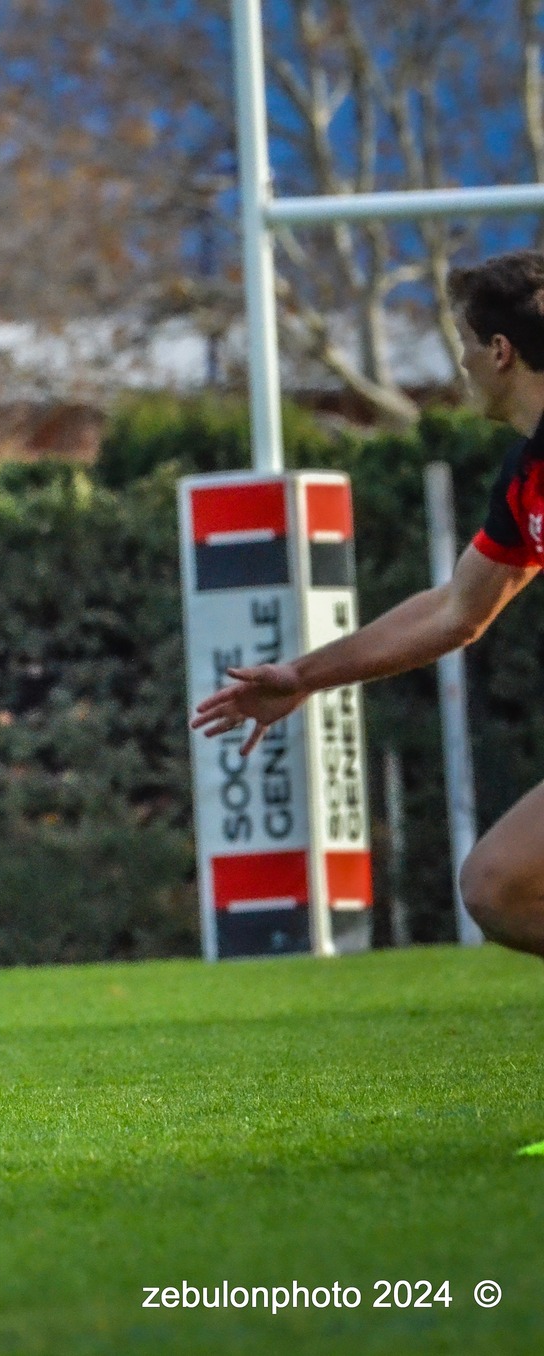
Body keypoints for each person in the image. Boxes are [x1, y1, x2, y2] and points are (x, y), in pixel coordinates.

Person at [195, 248, 544, 962]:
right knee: (497, 886)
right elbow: (457, 609)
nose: (461, 365)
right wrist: (302, 676)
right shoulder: (527, 476)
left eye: (465, 347)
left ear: (501, 352)